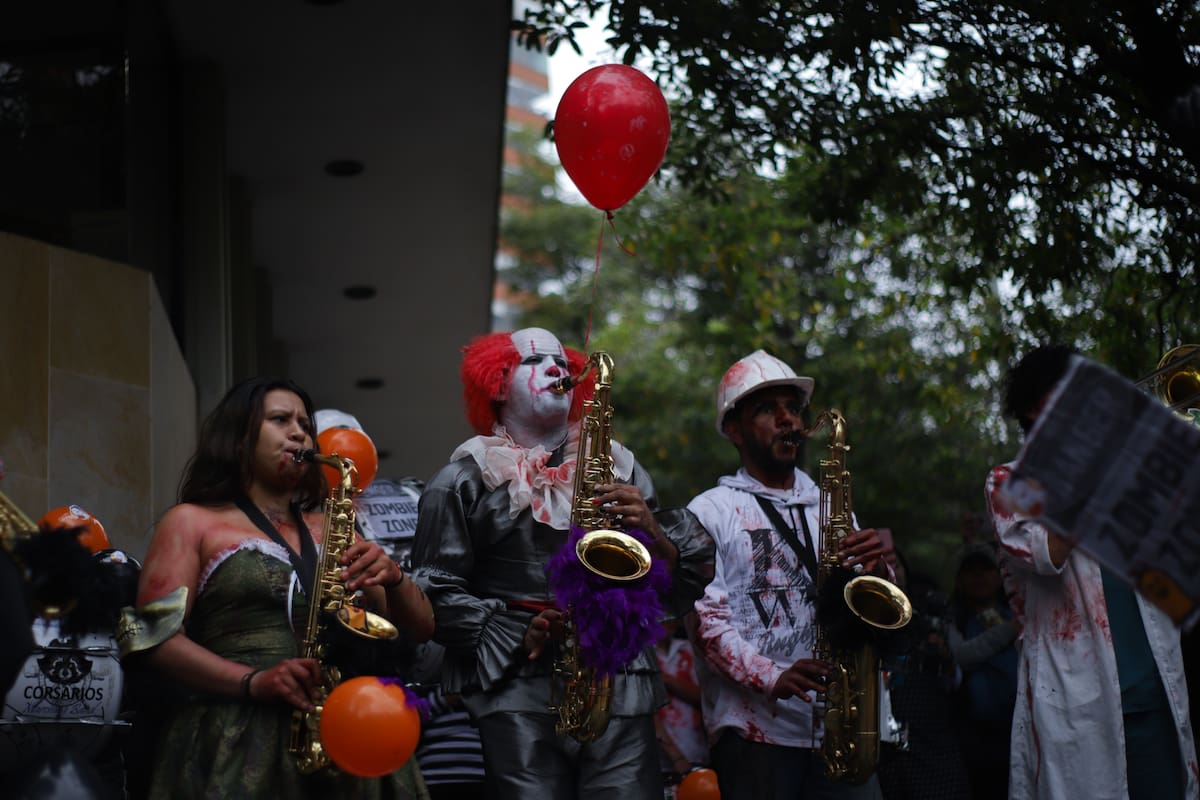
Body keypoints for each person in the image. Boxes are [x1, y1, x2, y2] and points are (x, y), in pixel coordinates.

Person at [409, 327, 713, 800]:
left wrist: (652, 531)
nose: (558, 370)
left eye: (563, 363)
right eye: (534, 362)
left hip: (619, 678)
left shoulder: (623, 470)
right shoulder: (462, 479)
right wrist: (512, 630)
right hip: (514, 682)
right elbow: (430, 591)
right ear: (496, 382)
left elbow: (675, 589)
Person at [121, 376, 434, 799]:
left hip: (350, 730)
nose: (299, 432)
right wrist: (254, 681)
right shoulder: (191, 522)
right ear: (238, 438)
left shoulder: (334, 526)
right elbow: (152, 638)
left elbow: (420, 629)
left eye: (304, 423)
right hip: (236, 732)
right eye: (280, 419)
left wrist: (393, 578)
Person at [986, 345, 1198, 800]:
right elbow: (1045, 553)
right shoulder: (1007, 481)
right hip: (1079, 714)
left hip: (1156, 702)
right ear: (1030, 407)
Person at [687, 349, 890, 800]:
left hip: (843, 726)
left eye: (793, 409)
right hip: (757, 736)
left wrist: (880, 570)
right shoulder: (709, 510)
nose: (788, 420)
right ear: (733, 429)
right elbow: (703, 620)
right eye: (767, 409)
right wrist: (770, 675)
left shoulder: (831, 506)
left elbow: (865, 606)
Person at [946, 542, 1017, 800]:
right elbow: (960, 656)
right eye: (970, 570)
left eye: (985, 569)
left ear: (999, 576)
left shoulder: (1017, 611)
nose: (979, 577)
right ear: (959, 579)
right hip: (971, 740)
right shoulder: (951, 618)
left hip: (1016, 731)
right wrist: (1012, 629)